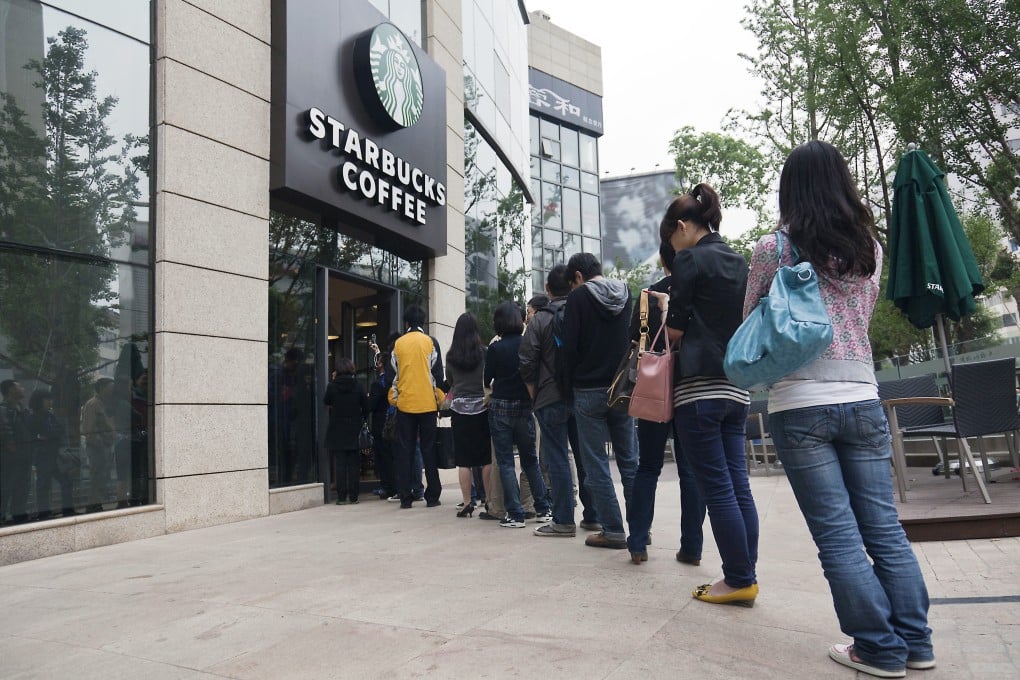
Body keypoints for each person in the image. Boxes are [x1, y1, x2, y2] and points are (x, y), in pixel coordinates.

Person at [748, 141, 933, 677]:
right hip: (862, 395)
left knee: (838, 536)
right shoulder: (868, 247)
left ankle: (877, 648)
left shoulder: (774, 248)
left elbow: (752, 321)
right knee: (884, 528)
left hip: (799, 401)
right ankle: (915, 643)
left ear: (790, 188)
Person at [661, 183, 758, 606]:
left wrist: (665, 315)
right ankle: (745, 574)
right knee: (738, 486)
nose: (672, 246)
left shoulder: (689, 260)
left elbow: (676, 329)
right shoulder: (739, 260)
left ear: (682, 226)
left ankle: (738, 579)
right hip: (736, 385)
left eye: (671, 237)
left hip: (699, 388)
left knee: (716, 489)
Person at [626, 242, 706, 565]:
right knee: (690, 470)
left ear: (663, 260)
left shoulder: (649, 295)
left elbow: (636, 340)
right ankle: (692, 548)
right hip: (690, 385)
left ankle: (637, 543)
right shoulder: (701, 290)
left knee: (648, 466)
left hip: (654, 388)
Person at [560, 252, 637, 549]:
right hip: (622, 388)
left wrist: (567, 386)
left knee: (596, 463)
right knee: (629, 461)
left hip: (588, 389)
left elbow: (570, 347)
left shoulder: (578, 298)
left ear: (578, 277)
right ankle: (640, 529)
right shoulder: (625, 293)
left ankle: (613, 530)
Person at [520, 264, 577, 537]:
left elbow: (526, 361)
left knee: (557, 458)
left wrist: (534, 393)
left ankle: (563, 520)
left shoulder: (539, 320)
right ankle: (594, 515)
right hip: (581, 395)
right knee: (586, 458)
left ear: (547, 289)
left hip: (549, 395)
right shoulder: (581, 312)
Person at [484, 301, 551, 528]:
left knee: (505, 463)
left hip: (501, 408)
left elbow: (487, 379)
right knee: (530, 461)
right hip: (525, 409)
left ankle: (515, 514)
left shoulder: (495, 348)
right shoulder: (528, 345)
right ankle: (543, 508)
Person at [389, 305, 445, 508]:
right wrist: (439, 402)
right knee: (429, 450)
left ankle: (405, 497)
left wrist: (396, 399)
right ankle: (432, 496)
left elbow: (392, 376)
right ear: (423, 322)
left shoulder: (398, 344)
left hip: (405, 405)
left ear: (406, 323)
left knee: (405, 451)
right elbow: (438, 375)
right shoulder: (431, 342)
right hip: (428, 404)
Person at [445, 312, 492, 517]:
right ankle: (489, 500)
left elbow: (450, 381)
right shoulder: (485, 353)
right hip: (482, 408)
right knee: (486, 457)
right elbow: (489, 378)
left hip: (459, 410)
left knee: (464, 460)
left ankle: (466, 503)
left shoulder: (451, 356)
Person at [324, 357, 369, 504]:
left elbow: (326, 401)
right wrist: (360, 418)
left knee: (340, 464)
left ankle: (341, 497)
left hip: (337, 428)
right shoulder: (358, 385)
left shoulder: (332, 386)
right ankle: (354, 497)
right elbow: (366, 406)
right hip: (354, 428)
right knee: (354, 464)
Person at [28, 388, 74, 520]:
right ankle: (44, 513)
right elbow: (42, 434)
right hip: (43, 457)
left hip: (56, 456)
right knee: (44, 486)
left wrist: (48, 435)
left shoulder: (50, 415)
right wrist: (47, 434)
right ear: (39, 401)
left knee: (66, 482)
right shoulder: (34, 417)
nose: (50, 402)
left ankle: (68, 511)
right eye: (47, 399)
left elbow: (58, 431)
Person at [82, 377, 118, 514]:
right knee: (96, 477)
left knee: (101, 477)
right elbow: (89, 429)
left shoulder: (104, 404)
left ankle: (96, 504)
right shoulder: (93, 404)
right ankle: (93, 506)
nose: (113, 390)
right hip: (97, 447)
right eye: (111, 387)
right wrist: (100, 444)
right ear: (102, 388)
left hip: (105, 446)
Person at [0, 379, 32, 524]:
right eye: (19, 386)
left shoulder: (21, 409)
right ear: (11, 390)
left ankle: (18, 514)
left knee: (22, 486)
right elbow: (5, 430)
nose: (22, 388)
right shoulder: (3, 409)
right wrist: (11, 445)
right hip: (10, 456)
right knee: (6, 486)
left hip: (24, 454)